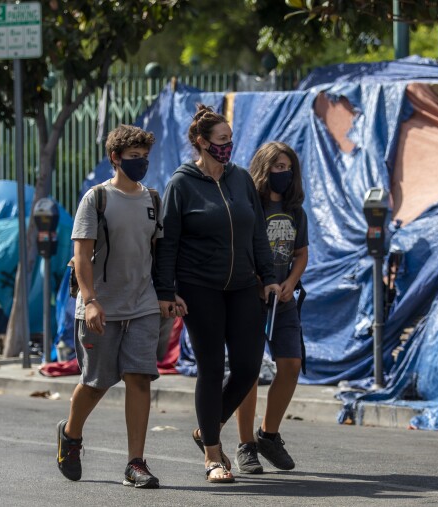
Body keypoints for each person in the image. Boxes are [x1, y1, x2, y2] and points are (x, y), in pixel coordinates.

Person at [154, 105, 280, 484]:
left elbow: (257, 231)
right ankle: (213, 455)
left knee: (247, 367)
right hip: (199, 287)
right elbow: (168, 243)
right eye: (222, 141)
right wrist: (166, 291)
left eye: (230, 140)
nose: (228, 146)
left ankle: (205, 428)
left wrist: (269, 276)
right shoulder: (182, 184)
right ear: (202, 143)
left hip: (242, 285)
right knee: (210, 366)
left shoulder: (240, 179)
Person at [57, 124, 181, 489]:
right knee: (96, 383)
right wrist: (91, 301)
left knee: (140, 377)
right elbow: (81, 256)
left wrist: (167, 294)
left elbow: (159, 254)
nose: (141, 163)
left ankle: (135, 463)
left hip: (142, 303)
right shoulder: (96, 199)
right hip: (101, 307)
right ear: (115, 158)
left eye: (145, 157)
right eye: (133, 157)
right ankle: (71, 434)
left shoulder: (152, 200)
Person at [234, 141, 308, 473]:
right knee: (248, 373)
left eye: (288, 167)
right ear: (264, 169)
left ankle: (269, 435)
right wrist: (260, 282)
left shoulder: (296, 210)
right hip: (253, 299)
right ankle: (245, 444)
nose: (284, 172)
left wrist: (290, 282)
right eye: (277, 166)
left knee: (290, 364)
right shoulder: (251, 206)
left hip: (285, 303)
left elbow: (301, 253)